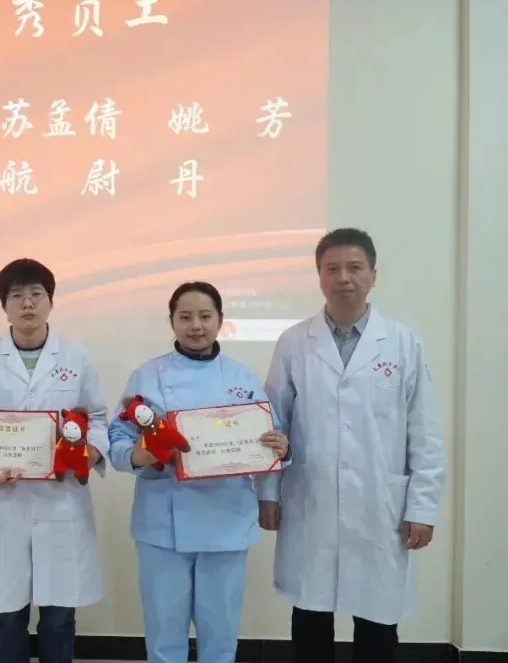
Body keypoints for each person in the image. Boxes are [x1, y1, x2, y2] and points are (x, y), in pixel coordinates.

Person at [255, 228, 447, 663]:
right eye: (333, 268)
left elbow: (425, 432)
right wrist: (267, 494)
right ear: (319, 276)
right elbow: (272, 423)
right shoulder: (294, 342)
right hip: (311, 498)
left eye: (355, 267)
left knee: (378, 619)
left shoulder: (402, 342)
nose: (343, 277)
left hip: (380, 505)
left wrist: (422, 507)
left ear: (373, 275)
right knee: (310, 615)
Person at [107, 281, 290, 663]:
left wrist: (282, 449)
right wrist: (139, 455)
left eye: (205, 316)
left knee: (220, 634)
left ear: (221, 320)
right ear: (172, 321)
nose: (196, 326)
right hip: (162, 522)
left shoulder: (242, 379)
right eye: (185, 317)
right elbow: (118, 439)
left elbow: (269, 440)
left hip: (226, 520)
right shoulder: (147, 376)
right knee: (164, 634)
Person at [0, 258, 109, 663]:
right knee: (8, 618)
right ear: (4, 306)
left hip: (61, 502)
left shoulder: (76, 357)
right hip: (4, 504)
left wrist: (89, 452)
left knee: (58, 619)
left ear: (50, 302)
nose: (27, 303)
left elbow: (96, 418)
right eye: (17, 296)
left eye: (36, 294)